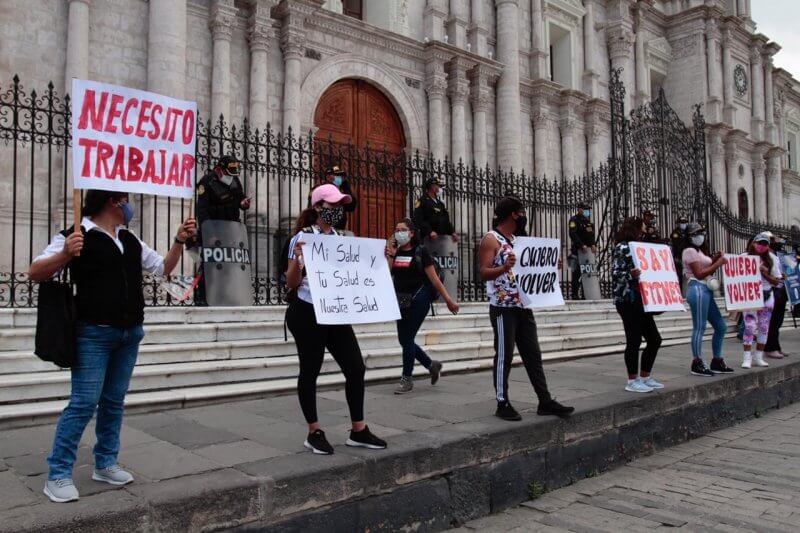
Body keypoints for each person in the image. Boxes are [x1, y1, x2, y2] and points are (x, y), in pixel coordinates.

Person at [28, 189, 196, 503]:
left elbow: (164, 268)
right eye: (126, 199)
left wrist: (179, 240)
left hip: (129, 333)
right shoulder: (76, 234)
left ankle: (105, 462)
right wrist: (66, 253)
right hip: (93, 333)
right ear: (113, 202)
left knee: (113, 401)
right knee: (83, 403)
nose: (130, 205)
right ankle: (58, 473)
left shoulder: (129, 238)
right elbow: (36, 272)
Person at [285, 183, 386, 455]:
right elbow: (291, 282)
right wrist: (297, 260)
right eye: (332, 206)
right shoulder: (303, 238)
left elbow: (357, 274)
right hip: (307, 311)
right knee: (311, 369)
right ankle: (314, 431)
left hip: (335, 311)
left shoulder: (343, 239)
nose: (338, 211)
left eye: (340, 206)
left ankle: (358, 429)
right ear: (318, 207)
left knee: (355, 367)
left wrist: (380, 261)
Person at [479, 196, 574, 421]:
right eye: (521, 212)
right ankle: (502, 403)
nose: (523, 216)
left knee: (533, 354)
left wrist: (550, 266)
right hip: (503, 307)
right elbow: (483, 272)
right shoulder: (491, 239)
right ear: (513, 214)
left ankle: (545, 400)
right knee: (504, 355)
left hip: (524, 305)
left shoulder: (519, 239)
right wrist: (503, 267)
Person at [386, 218, 459, 394]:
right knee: (404, 339)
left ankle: (407, 379)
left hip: (419, 299)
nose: (399, 232)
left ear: (411, 233)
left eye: (402, 229)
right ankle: (431, 365)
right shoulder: (394, 252)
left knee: (407, 338)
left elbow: (434, 279)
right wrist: (391, 255)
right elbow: (388, 274)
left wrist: (448, 300)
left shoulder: (421, 252)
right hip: (401, 299)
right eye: (396, 229)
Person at [612, 217, 664, 393]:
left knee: (654, 339)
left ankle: (645, 376)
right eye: (641, 231)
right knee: (633, 340)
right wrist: (631, 274)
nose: (643, 234)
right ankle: (632, 380)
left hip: (642, 300)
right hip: (627, 300)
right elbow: (616, 273)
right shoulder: (622, 247)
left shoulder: (640, 248)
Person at [192, 155, 250, 305]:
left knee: (229, 266)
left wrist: (244, 203)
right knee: (209, 265)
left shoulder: (234, 179)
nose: (232, 174)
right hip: (214, 229)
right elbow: (202, 210)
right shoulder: (207, 181)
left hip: (230, 229)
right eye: (229, 170)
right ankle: (203, 297)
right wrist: (208, 233)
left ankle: (225, 295)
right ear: (220, 168)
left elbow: (240, 199)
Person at [682, 223, 734, 377]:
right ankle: (697, 362)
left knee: (721, 326)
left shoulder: (698, 251)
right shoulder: (689, 251)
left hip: (706, 290)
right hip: (697, 288)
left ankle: (717, 360)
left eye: (701, 232)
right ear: (690, 236)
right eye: (697, 233)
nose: (700, 235)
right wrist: (718, 263)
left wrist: (714, 259)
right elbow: (699, 273)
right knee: (700, 327)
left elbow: (705, 266)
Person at [741, 233, 782, 369]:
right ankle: (747, 358)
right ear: (753, 243)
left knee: (764, 328)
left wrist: (765, 273)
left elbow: (777, 282)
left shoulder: (772, 259)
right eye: (760, 243)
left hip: (767, 295)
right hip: (751, 296)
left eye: (765, 244)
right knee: (749, 327)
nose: (762, 246)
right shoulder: (744, 258)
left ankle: (758, 356)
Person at [412, 178, 459, 243]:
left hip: (441, 238)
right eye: (438, 186)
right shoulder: (422, 201)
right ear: (432, 187)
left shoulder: (440, 204)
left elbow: (446, 220)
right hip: (428, 238)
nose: (440, 189)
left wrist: (452, 232)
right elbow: (418, 219)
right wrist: (429, 231)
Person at [765, 235, 789, 359]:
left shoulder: (776, 255)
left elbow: (778, 272)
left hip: (780, 289)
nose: (778, 243)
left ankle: (776, 347)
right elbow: (768, 273)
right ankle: (770, 348)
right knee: (773, 322)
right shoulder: (767, 256)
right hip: (774, 290)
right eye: (774, 240)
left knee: (778, 322)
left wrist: (782, 276)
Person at [567, 202, 596, 300]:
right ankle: (574, 294)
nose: (587, 211)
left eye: (588, 210)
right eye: (585, 209)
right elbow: (572, 234)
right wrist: (581, 245)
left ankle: (585, 293)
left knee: (587, 273)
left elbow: (591, 235)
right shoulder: (574, 220)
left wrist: (593, 245)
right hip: (577, 251)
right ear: (579, 209)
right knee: (576, 273)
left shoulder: (588, 222)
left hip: (587, 253)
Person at [320, 165, 357, 231]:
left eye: (341, 176)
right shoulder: (321, 190)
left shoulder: (342, 190)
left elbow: (351, 207)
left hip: (340, 229)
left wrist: (346, 188)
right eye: (337, 175)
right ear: (328, 177)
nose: (340, 178)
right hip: (325, 229)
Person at [670, 216, 689, 287]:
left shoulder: (688, 232)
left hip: (688, 257)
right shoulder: (675, 233)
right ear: (678, 223)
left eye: (684, 222)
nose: (683, 224)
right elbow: (677, 246)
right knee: (679, 275)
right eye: (682, 223)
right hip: (679, 257)